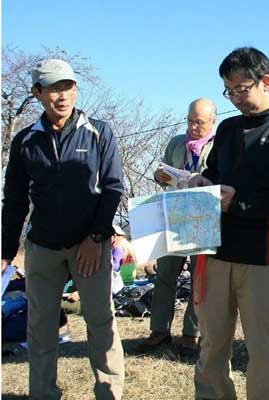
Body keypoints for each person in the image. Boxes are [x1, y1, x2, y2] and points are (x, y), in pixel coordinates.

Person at [190, 47, 269, 400]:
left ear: (266, 82)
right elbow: (215, 173)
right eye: (229, 91)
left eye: (242, 89)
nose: (236, 98)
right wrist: (201, 182)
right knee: (211, 347)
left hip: (263, 260)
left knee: (266, 353)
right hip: (215, 253)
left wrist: (239, 202)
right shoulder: (227, 129)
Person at [1, 59, 125, 399]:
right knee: (40, 326)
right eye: (54, 88)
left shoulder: (99, 132)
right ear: (37, 93)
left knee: (101, 321)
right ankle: (43, 393)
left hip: (90, 246)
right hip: (42, 247)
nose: (63, 95)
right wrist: (5, 252)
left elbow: (113, 188)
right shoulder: (26, 140)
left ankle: (109, 392)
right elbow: (14, 200)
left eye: (68, 87)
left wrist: (97, 237)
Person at [137, 98, 217, 358]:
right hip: (173, 214)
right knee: (164, 276)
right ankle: (159, 330)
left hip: (203, 216)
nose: (193, 127)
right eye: (190, 121)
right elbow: (163, 170)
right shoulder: (176, 143)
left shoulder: (220, 145)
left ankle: (191, 334)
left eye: (199, 122)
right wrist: (159, 175)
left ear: (212, 121)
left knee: (199, 279)